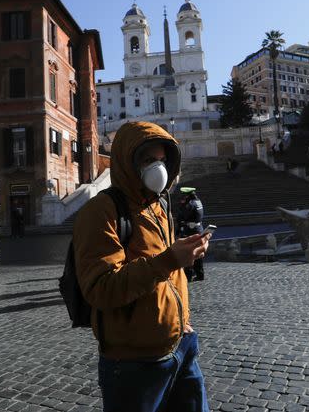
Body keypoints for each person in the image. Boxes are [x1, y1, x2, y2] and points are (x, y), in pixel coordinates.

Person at [73, 121, 211, 412]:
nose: (158, 168)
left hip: (182, 346)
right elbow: (101, 288)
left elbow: (168, 275)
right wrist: (171, 259)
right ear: (127, 162)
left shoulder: (159, 206)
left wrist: (181, 319)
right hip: (133, 362)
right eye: (148, 160)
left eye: (162, 161)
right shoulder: (101, 211)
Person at [177, 187, 205, 282]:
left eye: (184, 195)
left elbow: (184, 215)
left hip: (190, 230)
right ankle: (200, 274)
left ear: (187, 195)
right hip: (199, 229)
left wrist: (182, 205)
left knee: (189, 252)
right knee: (198, 251)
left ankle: (188, 276)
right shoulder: (198, 201)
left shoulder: (190, 204)